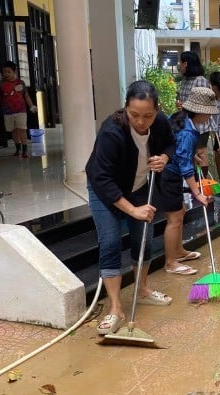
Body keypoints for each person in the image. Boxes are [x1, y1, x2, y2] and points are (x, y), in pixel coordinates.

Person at [86, 80, 176, 335]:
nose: (141, 121)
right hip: (105, 191)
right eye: (134, 114)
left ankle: (143, 290)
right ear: (126, 107)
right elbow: (102, 179)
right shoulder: (111, 131)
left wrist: (164, 158)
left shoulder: (159, 122)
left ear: (156, 111)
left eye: (148, 115)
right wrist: (133, 210)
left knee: (143, 239)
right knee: (111, 242)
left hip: (138, 187)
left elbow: (170, 143)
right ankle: (115, 308)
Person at [164, 87, 217, 275]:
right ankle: (170, 262)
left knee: (180, 212)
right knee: (174, 219)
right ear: (199, 110)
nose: (209, 117)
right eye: (208, 113)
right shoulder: (187, 130)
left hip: (170, 172)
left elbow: (177, 148)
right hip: (170, 176)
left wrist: (190, 155)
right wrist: (197, 193)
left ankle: (178, 251)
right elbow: (185, 166)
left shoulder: (180, 118)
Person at [175, 51, 214, 176]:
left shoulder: (200, 81)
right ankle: (196, 184)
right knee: (191, 153)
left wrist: (185, 105)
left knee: (200, 152)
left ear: (186, 64)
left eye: (180, 62)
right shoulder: (185, 80)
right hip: (187, 122)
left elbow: (205, 105)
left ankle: (204, 183)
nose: (178, 65)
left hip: (199, 123)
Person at [0, 61, 37, 158]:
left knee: (22, 129)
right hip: (7, 111)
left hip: (21, 110)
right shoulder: (1, 84)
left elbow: (26, 96)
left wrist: (31, 106)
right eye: (4, 72)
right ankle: (18, 149)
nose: (6, 74)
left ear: (14, 71)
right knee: (14, 130)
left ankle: (25, 151)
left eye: (9, 72)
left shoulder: (20, 83)